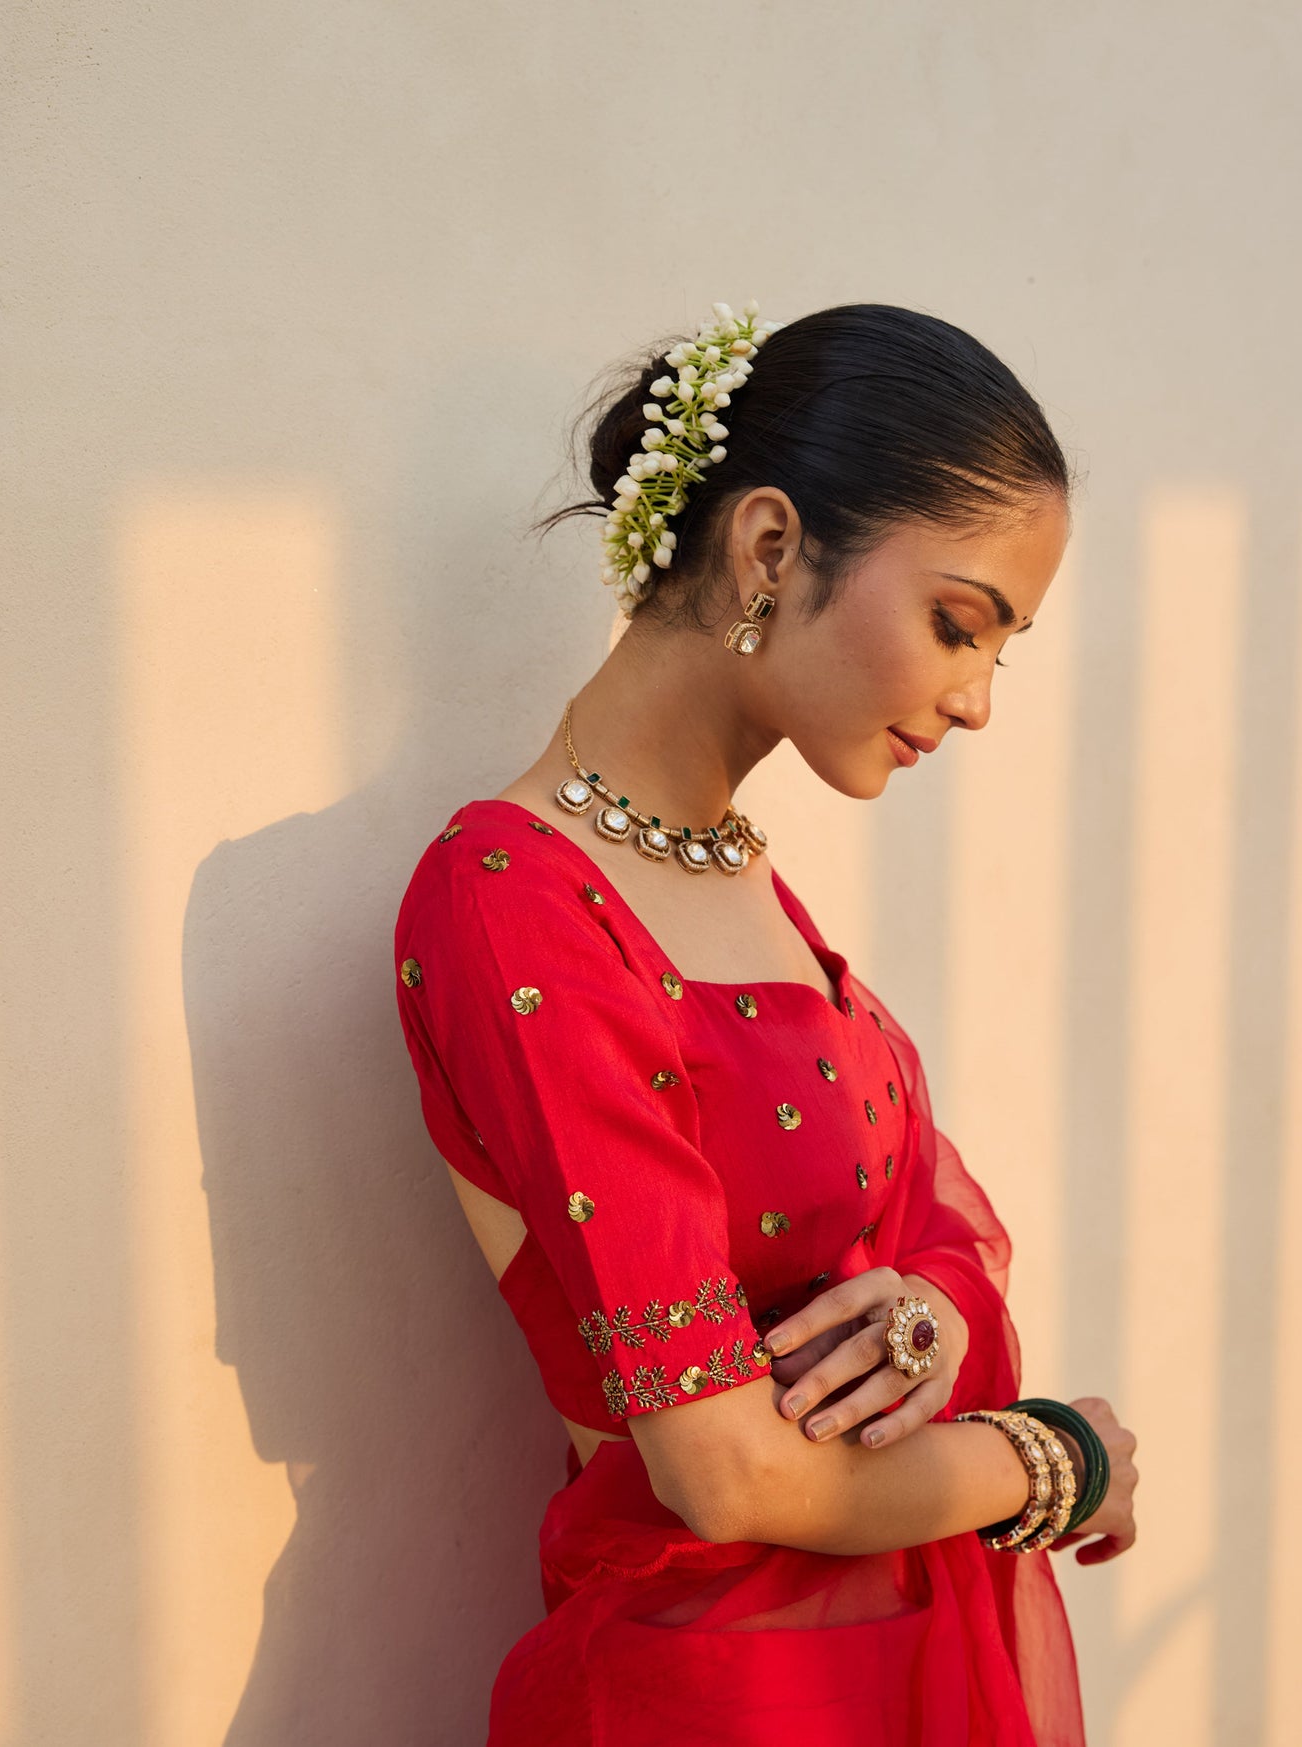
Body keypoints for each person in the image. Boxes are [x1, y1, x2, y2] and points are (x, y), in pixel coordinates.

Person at [392, 300, 1138, 1746]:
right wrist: (1061, 1460)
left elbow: (924, 1225)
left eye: (1003, 650)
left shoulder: (742, 884)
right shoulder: (514, 903)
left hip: (891, 1662)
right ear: (773, 545)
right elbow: (724, 1473)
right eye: (957, 624)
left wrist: (926, 1313)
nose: (977, 702)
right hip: (710, 1693)